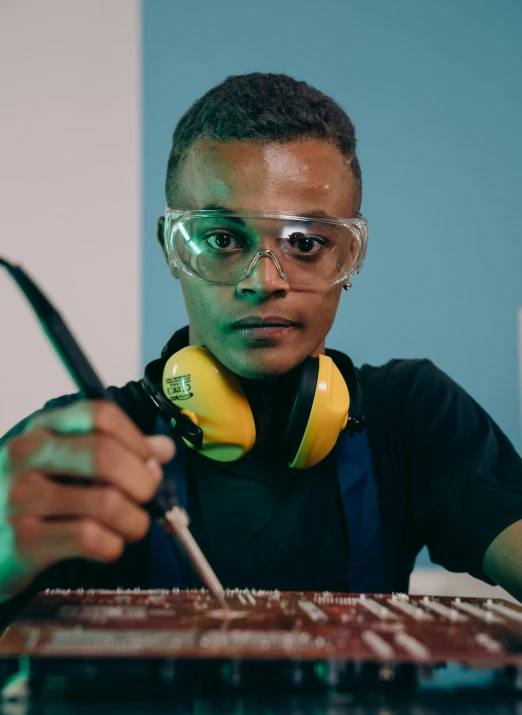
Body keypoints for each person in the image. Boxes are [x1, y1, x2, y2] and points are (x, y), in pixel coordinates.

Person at [1, 72, 522, 630]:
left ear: (347, 259)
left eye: (306, 243)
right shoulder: (77, 450)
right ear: (172, 251)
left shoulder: (414, 415)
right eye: (223, 239)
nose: (265, 281)